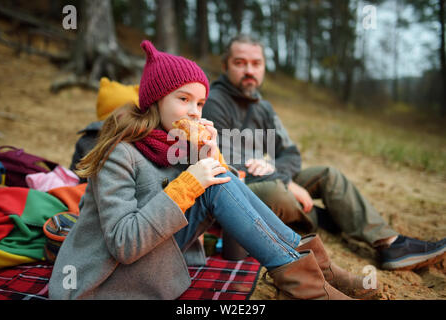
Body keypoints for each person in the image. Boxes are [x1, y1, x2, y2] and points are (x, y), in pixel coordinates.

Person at [48, 40, 375, 300]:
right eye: (183, 99)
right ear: (156, 100)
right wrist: (189, 182)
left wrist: (209, 154)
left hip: (152, 253)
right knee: (213, 181)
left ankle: (318, 270)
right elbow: (124, 243)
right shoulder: (119, 153)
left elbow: (216, 196)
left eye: (200, 103)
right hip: (106, 281)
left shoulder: (175, 145)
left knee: (220, 177)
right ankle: (310, 284)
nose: (193, 112)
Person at [202, 34, 446, 271]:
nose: (249, 71)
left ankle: (390, 243)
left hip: (272, 178)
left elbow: (290, 152)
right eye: (239, 63)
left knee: (328, 174)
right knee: (277, 192)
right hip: (237, 188)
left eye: (256, 64)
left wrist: (280, 173)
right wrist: (283, 181)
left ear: (264, 66)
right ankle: (330, 219)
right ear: (225, 66)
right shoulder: (215, 101)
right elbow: (225, 163)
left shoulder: (263, 106)